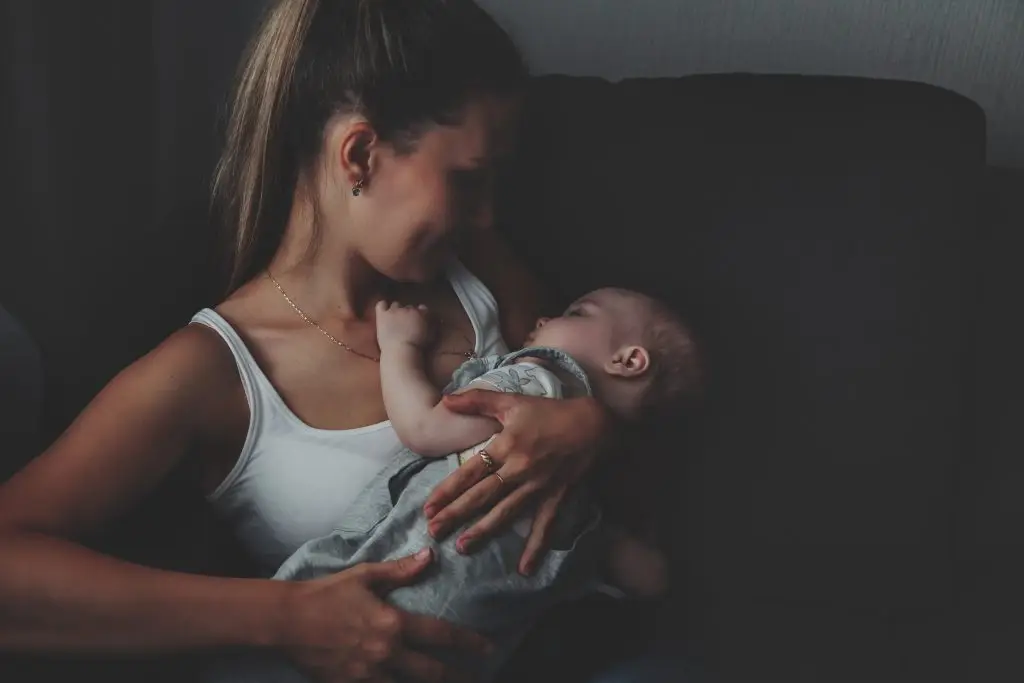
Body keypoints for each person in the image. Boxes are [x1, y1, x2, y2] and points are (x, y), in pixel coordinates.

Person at [0, 1, 674, 682]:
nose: (490, 212)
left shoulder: (484, 270)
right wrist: (284, 616)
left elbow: (616, 438)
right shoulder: (213, 370)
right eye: (469, 178)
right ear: (359, 154)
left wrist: (593, 427)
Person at [210, 288, 700, 682]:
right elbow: (649, 577)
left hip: (378, 605)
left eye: (576, 311)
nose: (543, 318)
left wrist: (400, 348)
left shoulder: (539, 382)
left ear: (629, 361)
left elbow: (425, 429)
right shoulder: (595, 505)